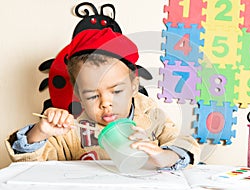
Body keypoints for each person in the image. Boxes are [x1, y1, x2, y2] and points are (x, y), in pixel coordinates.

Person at [5, 28, 201, 170]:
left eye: (116, 92)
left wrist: (165, 156)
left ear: (133, 85)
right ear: (79, 95)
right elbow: (31, 169)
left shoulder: (151, 116)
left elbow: (185, 144)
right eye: (92, 95)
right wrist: (39, 132)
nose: (105, 103)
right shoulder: (72, 128)